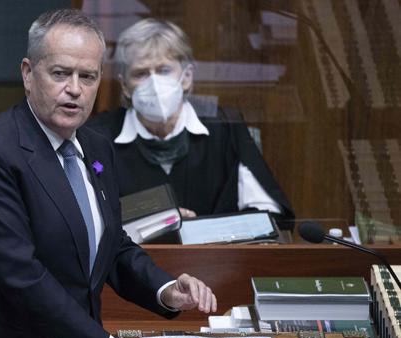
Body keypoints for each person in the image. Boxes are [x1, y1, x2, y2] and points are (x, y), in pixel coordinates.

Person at [0, 9, 217, 338]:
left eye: (88, 76)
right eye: (61, 74)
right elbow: (22, 275)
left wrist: (165, 290)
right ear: (28, 74)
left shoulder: (96, 148)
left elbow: (112, 243)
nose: (75, 90)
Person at [88, 19, 294, 229]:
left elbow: (270, 214)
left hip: (215, 259)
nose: (154, 84)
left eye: (164, 70)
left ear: (186, 76)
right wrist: (156, 218)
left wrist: (205, 230)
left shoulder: (224, 127)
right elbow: (89, 216)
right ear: (124, 86)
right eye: (141, 74)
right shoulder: (97, 136)